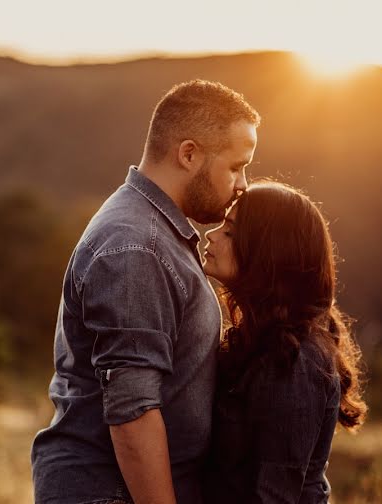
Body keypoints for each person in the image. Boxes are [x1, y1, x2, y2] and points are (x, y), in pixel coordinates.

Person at [31, 79, 260, 504]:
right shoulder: (137, 247)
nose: (243, 183)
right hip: (112, 494)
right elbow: (132, 411)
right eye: (235, 166)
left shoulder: (156, 233)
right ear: (189, 154)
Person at [201, 180, 368, 504]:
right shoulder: (261, 340)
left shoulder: (294, 361)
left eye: (230, 232)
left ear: (267, 253)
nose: (212, 234)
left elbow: (272, 496)